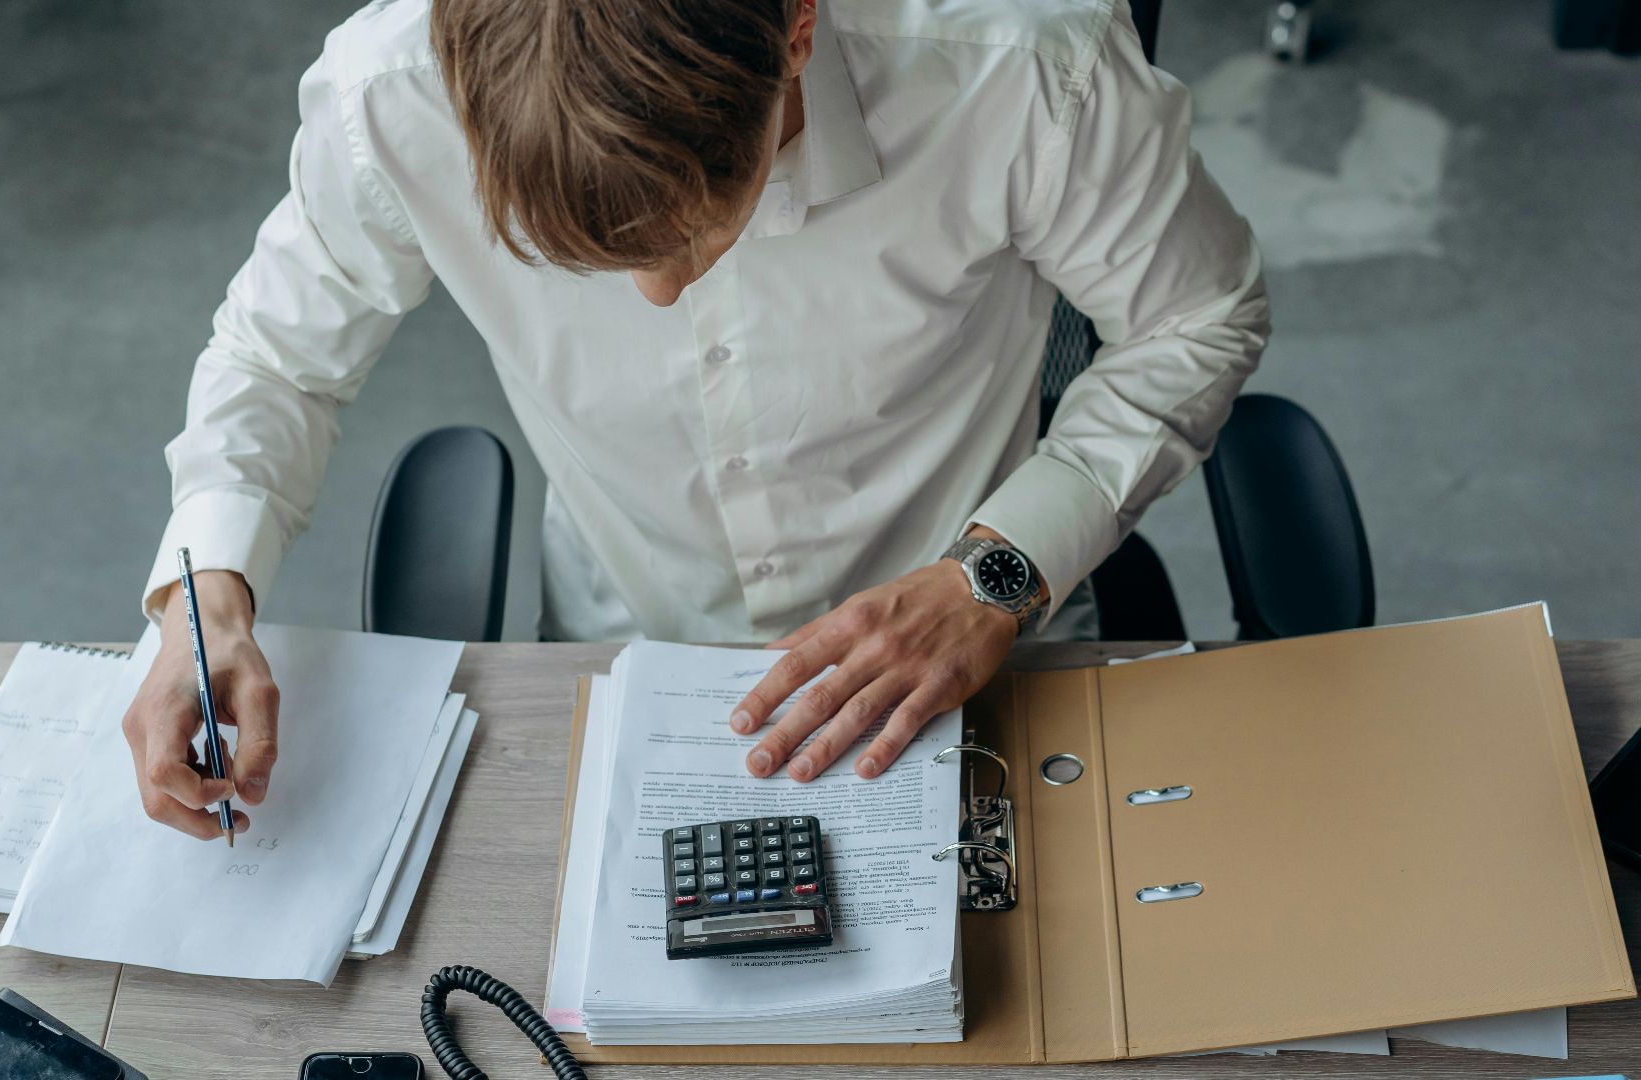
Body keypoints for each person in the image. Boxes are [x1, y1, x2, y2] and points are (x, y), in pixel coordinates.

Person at [121, 0, 1269, 840]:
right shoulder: (393, 93)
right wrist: (204, 599)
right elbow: (275, 357)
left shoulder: (1019, 62)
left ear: (798, 34)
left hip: (988, 642)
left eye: (696, 238)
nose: (660, 299)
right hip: (626, 643)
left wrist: (999, 577)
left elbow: (1199, 316)